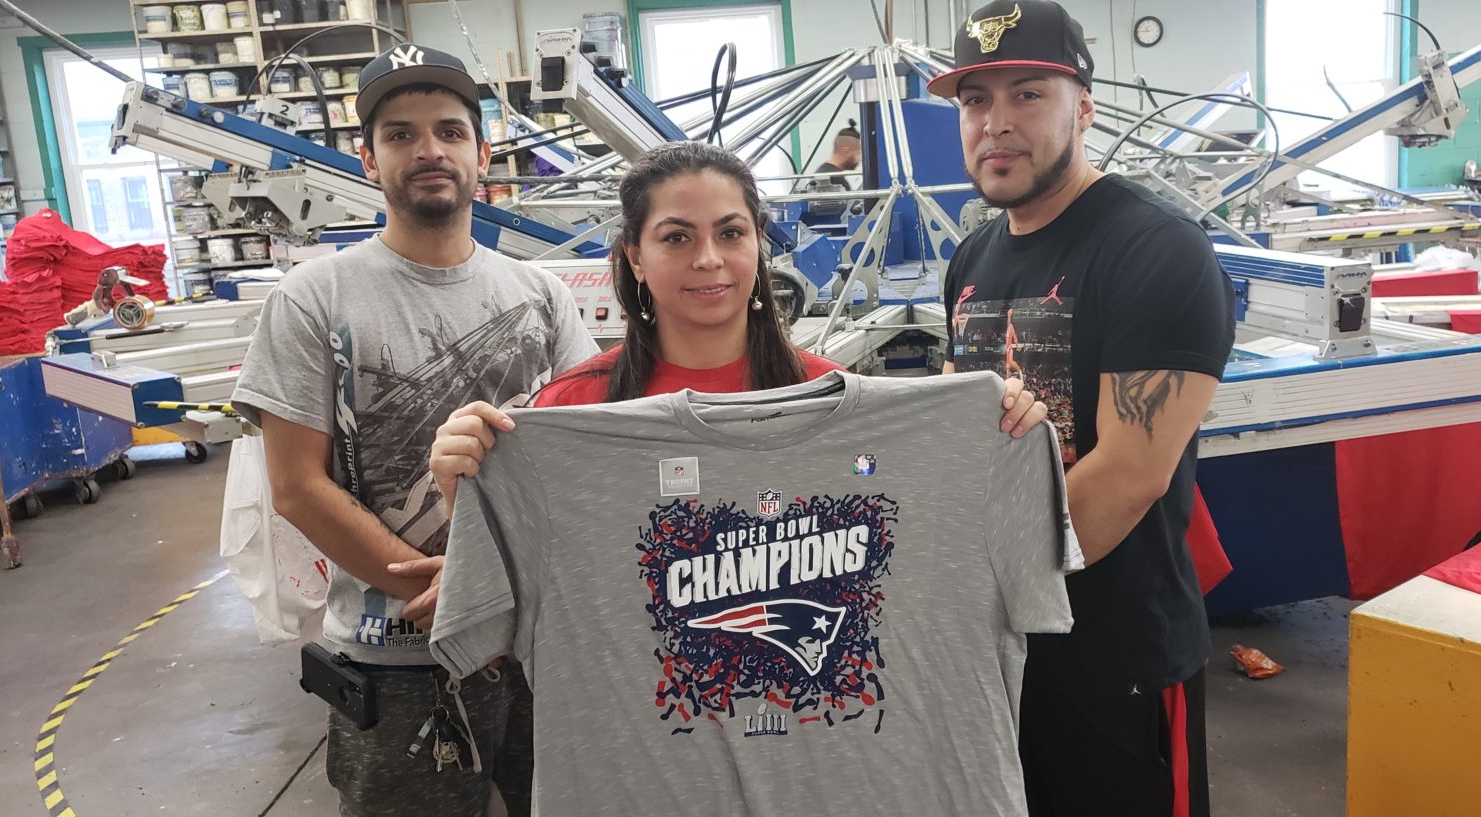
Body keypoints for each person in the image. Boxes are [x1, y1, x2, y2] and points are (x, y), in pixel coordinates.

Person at [229, 44, 597, 817]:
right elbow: (297, 487)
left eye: (449, 131)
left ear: (482, 153)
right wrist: (445, 590)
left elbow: (582, 455)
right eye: (399, 134)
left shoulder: (542, 296)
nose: (428, 149)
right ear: (368, 160)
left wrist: (507, 598)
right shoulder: (312, 300)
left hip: (536, 647)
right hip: (397, 657)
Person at [928, 1, 1236, 815]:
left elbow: (1128, 473)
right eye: (974, 100)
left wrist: (971, 594)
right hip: (996, 661)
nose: (996, 123)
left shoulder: (1154, 249)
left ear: (1084, 108)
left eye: (1027, 94)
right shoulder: (971, 258)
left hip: (1115, 665)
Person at [427, 140, 1046, 523]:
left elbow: (928, 527)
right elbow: (518, 578)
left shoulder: (838, 397)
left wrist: (995, 429)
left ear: (757, 243)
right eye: (676, 237)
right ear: (635, 257)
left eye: (730, 233)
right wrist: (468, 490)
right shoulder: (573, 407)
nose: (708, 259)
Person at [811, 120, 862, 190]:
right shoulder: (833, 179)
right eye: (858, 153)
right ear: (846, 151)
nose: (860, 159)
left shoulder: (825, 174)